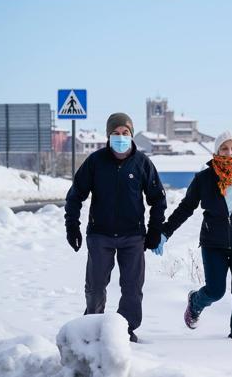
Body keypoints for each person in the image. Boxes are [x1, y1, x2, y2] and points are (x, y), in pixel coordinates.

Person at [154, 131, 232, 340]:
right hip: (213, 243)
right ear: (216, 151)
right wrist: (165, 232)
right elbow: (186, 208)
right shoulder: (204, 179)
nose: (229, 152)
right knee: (215, 291)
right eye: (224, 148)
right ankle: (195, 303)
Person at [64, 112, 167, 343]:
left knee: (132, 288)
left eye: (125, 133)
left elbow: (158, 199)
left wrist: (154, 231)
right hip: (100, 235)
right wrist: (72, 226)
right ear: (108, 136)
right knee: (96, 285)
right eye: (116, 133)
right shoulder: (95, 161)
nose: (121, 137)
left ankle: (125, 330)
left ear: (131, 135)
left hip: (133, 237)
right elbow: (75, 196)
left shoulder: (142, 163)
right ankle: (92, 326)